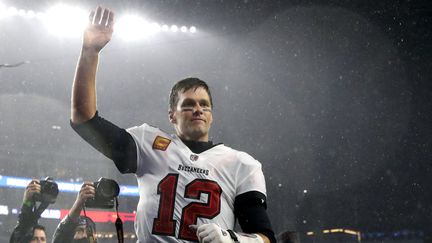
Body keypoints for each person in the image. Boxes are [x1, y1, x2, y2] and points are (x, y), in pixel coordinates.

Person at [70, 6, 276, 243]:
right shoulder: (149, 144)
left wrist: (232, 241)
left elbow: (265, 238)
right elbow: (84, 119)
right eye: (188, 104)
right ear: (172, 115)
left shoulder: (241, 164)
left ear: (212, 115)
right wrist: (90, 52)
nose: (198, 109)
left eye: (204, 105)